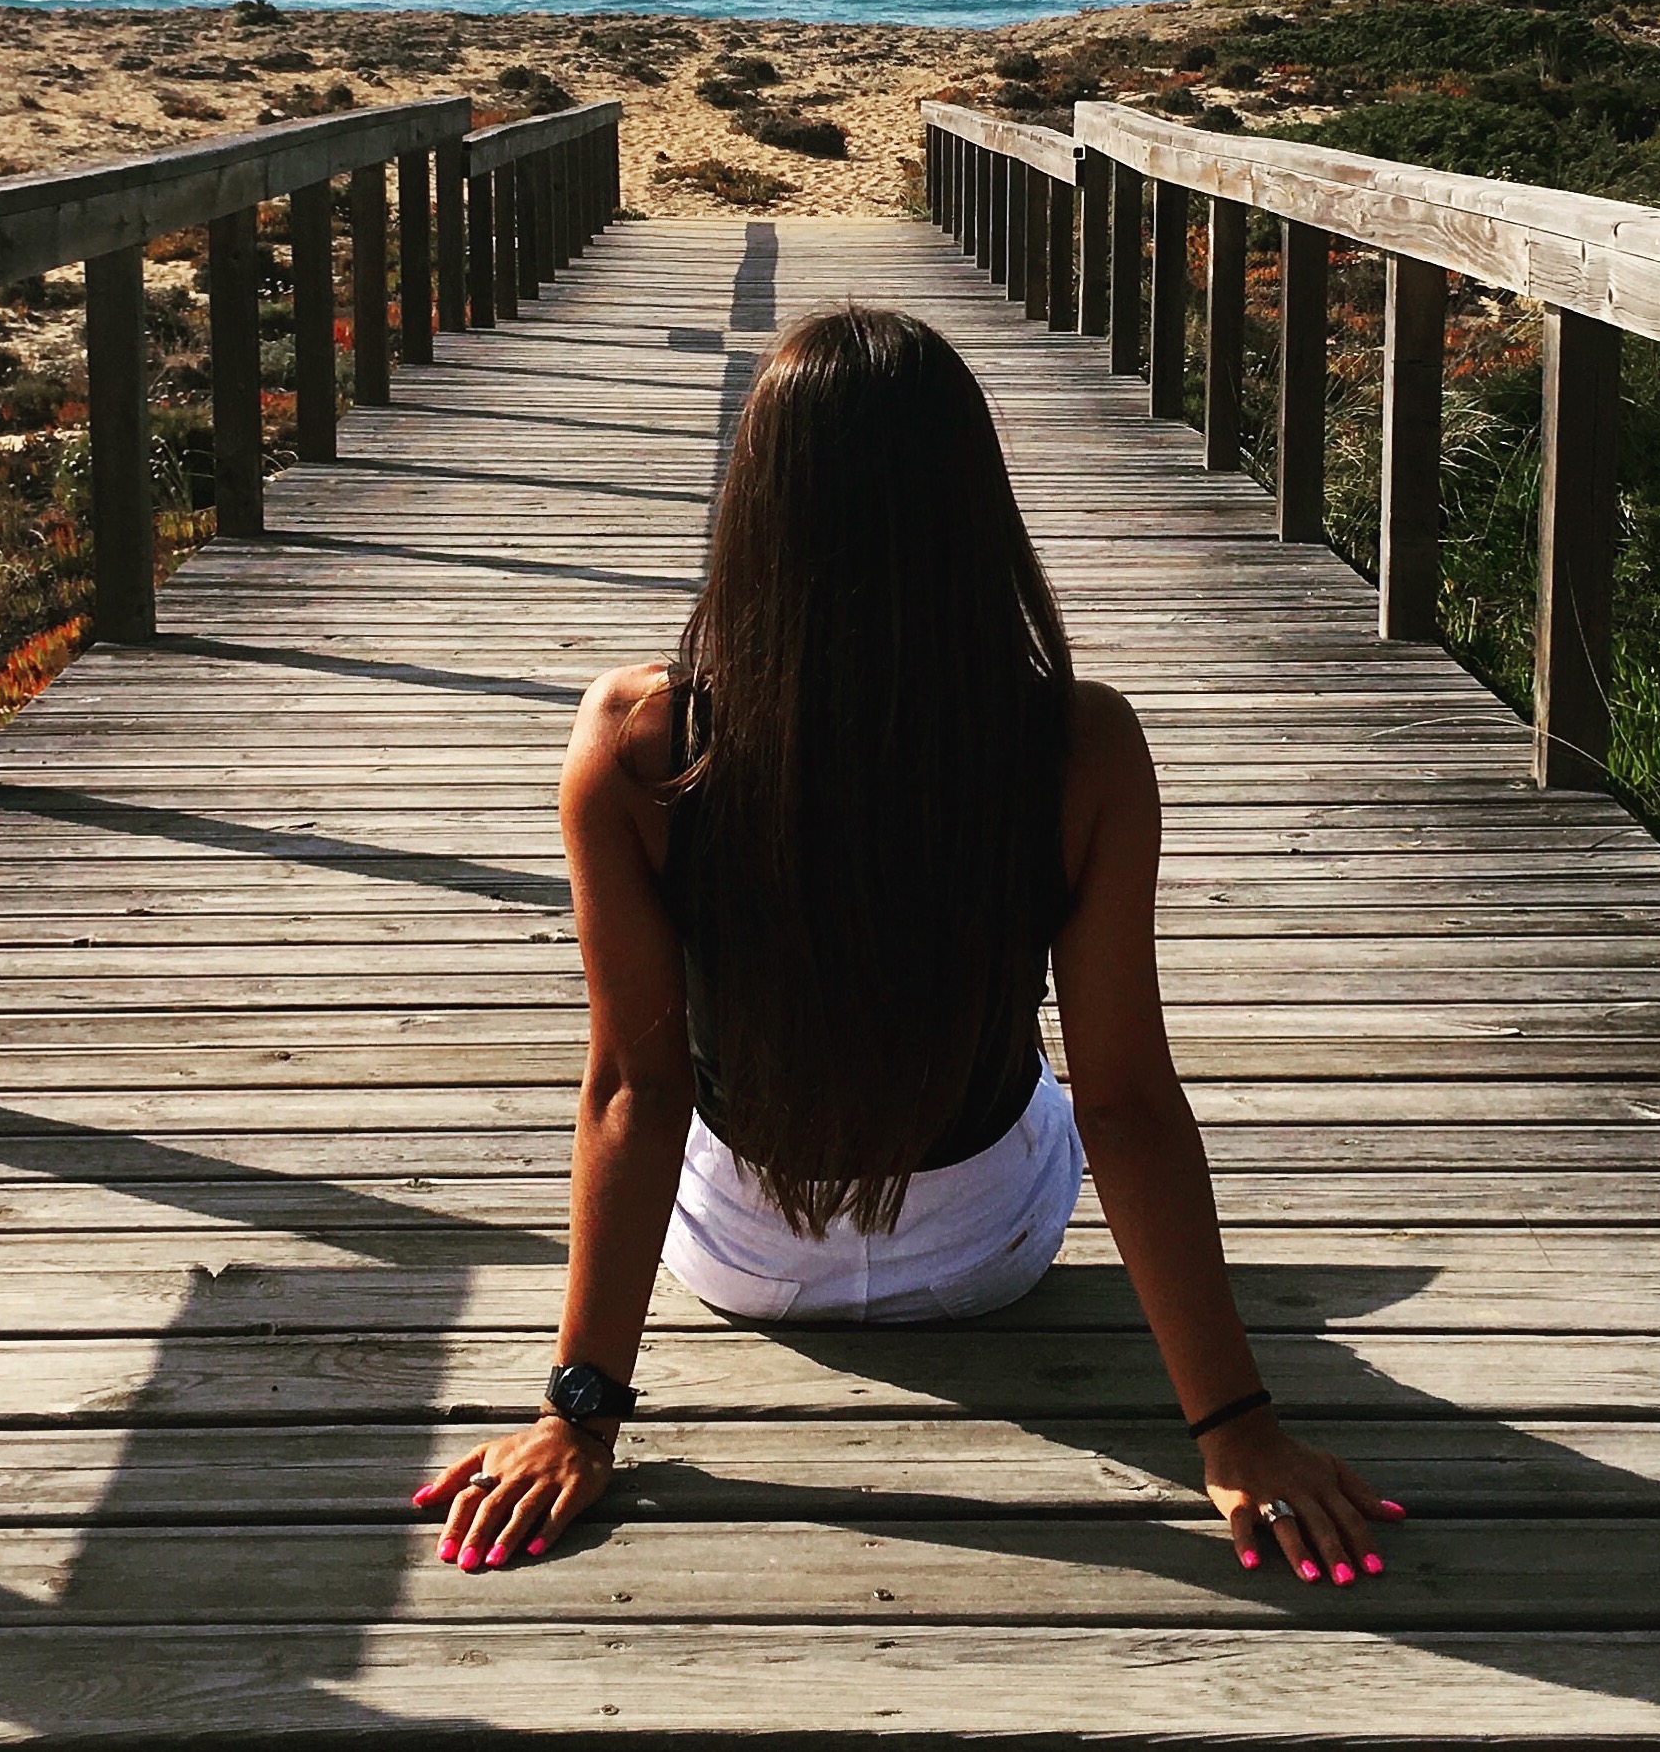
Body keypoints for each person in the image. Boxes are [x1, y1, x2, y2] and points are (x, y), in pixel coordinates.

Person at [417, 304, 1398, 1585]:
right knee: (1049, 1080)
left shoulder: (639, 739)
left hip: (740, 1255)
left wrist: (578, 1407)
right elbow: (1121, 1101)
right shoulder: (1080, 745)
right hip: (983, 1250)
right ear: (974, 507)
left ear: (750, 507)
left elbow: (634, 1089)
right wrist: (1235, 1427)